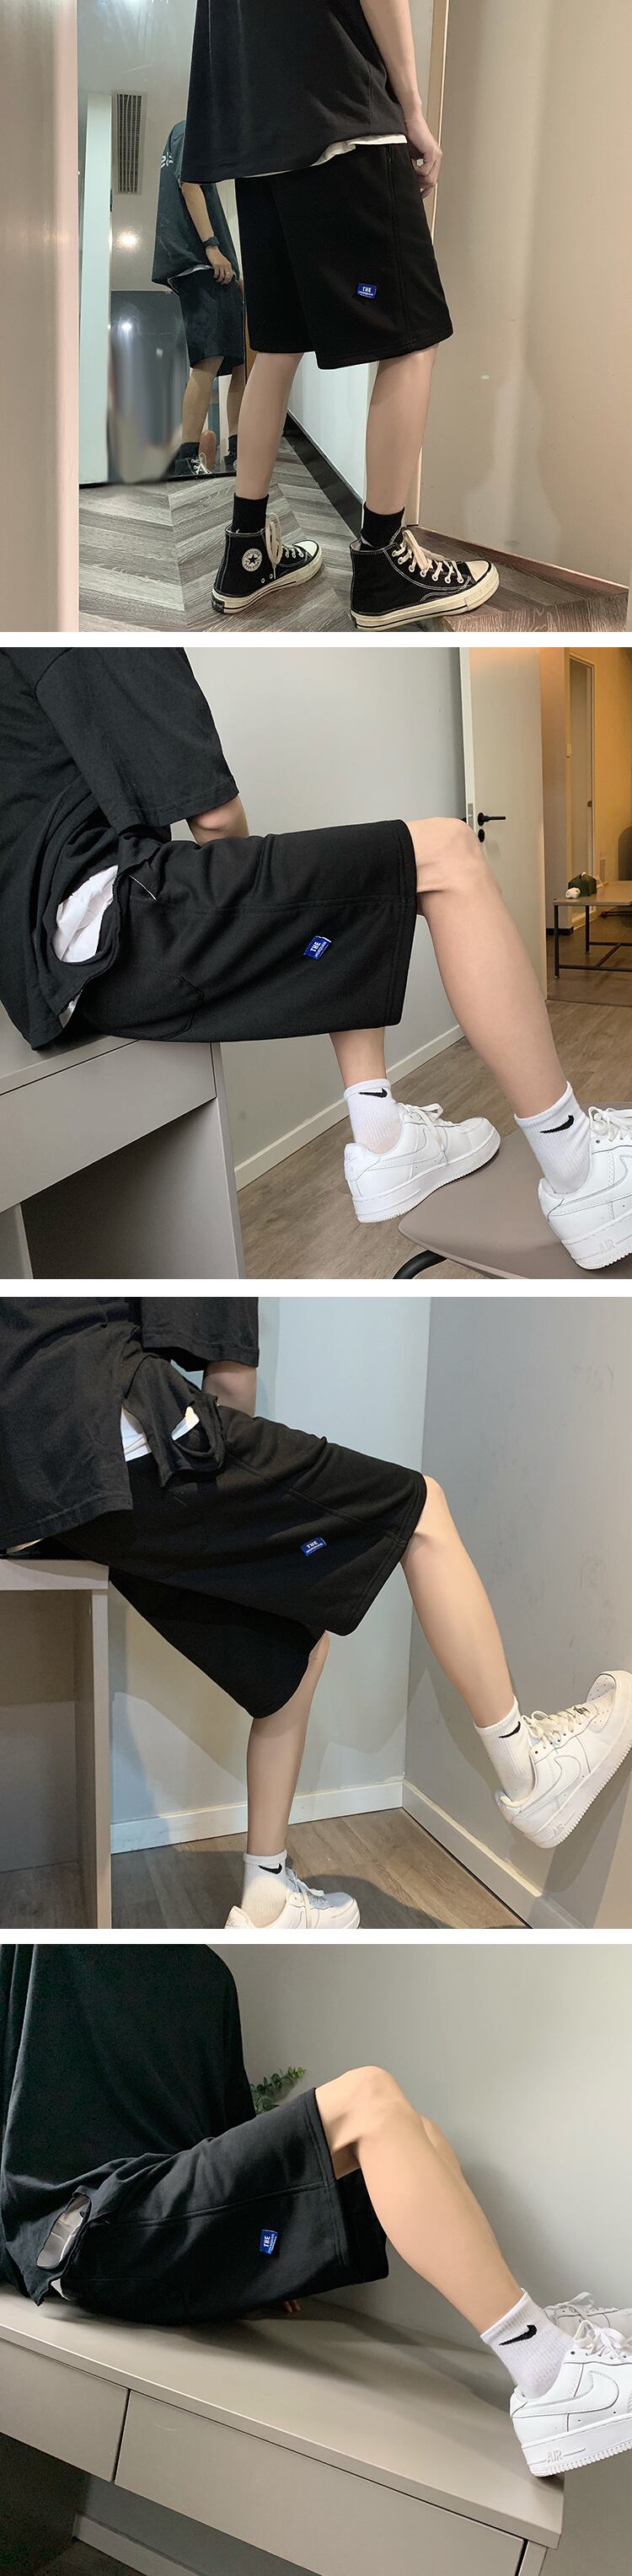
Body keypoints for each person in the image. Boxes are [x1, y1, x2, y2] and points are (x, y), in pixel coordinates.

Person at [1, 1298, 630, 1932]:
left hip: (31, 1487)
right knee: (421, 1510)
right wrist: (248, 1526)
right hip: (107, 1434)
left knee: (297, 1649)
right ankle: (532, 1768)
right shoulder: (212, 1262)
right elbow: (229, 1385)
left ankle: (269, 1896)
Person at [2, 645, 632, 1271]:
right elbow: (215, 819)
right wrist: (265, 903)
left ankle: (382, 1135)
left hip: (57, 964)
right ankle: (578, 1166)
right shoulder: (74, 629)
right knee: (450, 852)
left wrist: (290, 908)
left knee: (353, 886)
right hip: (115, 918)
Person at [3, 1944, 632, 2482]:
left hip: (161, 2219)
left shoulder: (207, 1974)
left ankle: (546, 2338)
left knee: (419, 2133)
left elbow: (222, 2131)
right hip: (90, 2225)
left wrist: (246, 2252)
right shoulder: (40, 1951)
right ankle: (546, 2371)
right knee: (370, 2098)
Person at [182, 0, 499, 629]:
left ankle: (247, 555)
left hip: (260, 147)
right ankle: (383, 565)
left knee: (275, 348)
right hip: (343, 120)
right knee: (410, 337)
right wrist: (412, 110)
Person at [152, 120, 245, 480]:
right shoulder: (190, 129)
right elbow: (188, 183)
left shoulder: (187, 136)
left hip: (213, 269)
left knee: (238, 362)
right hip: (201, 264)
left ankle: (237, 451)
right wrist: (211, 247)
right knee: (209, 360)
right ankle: (187, 457)